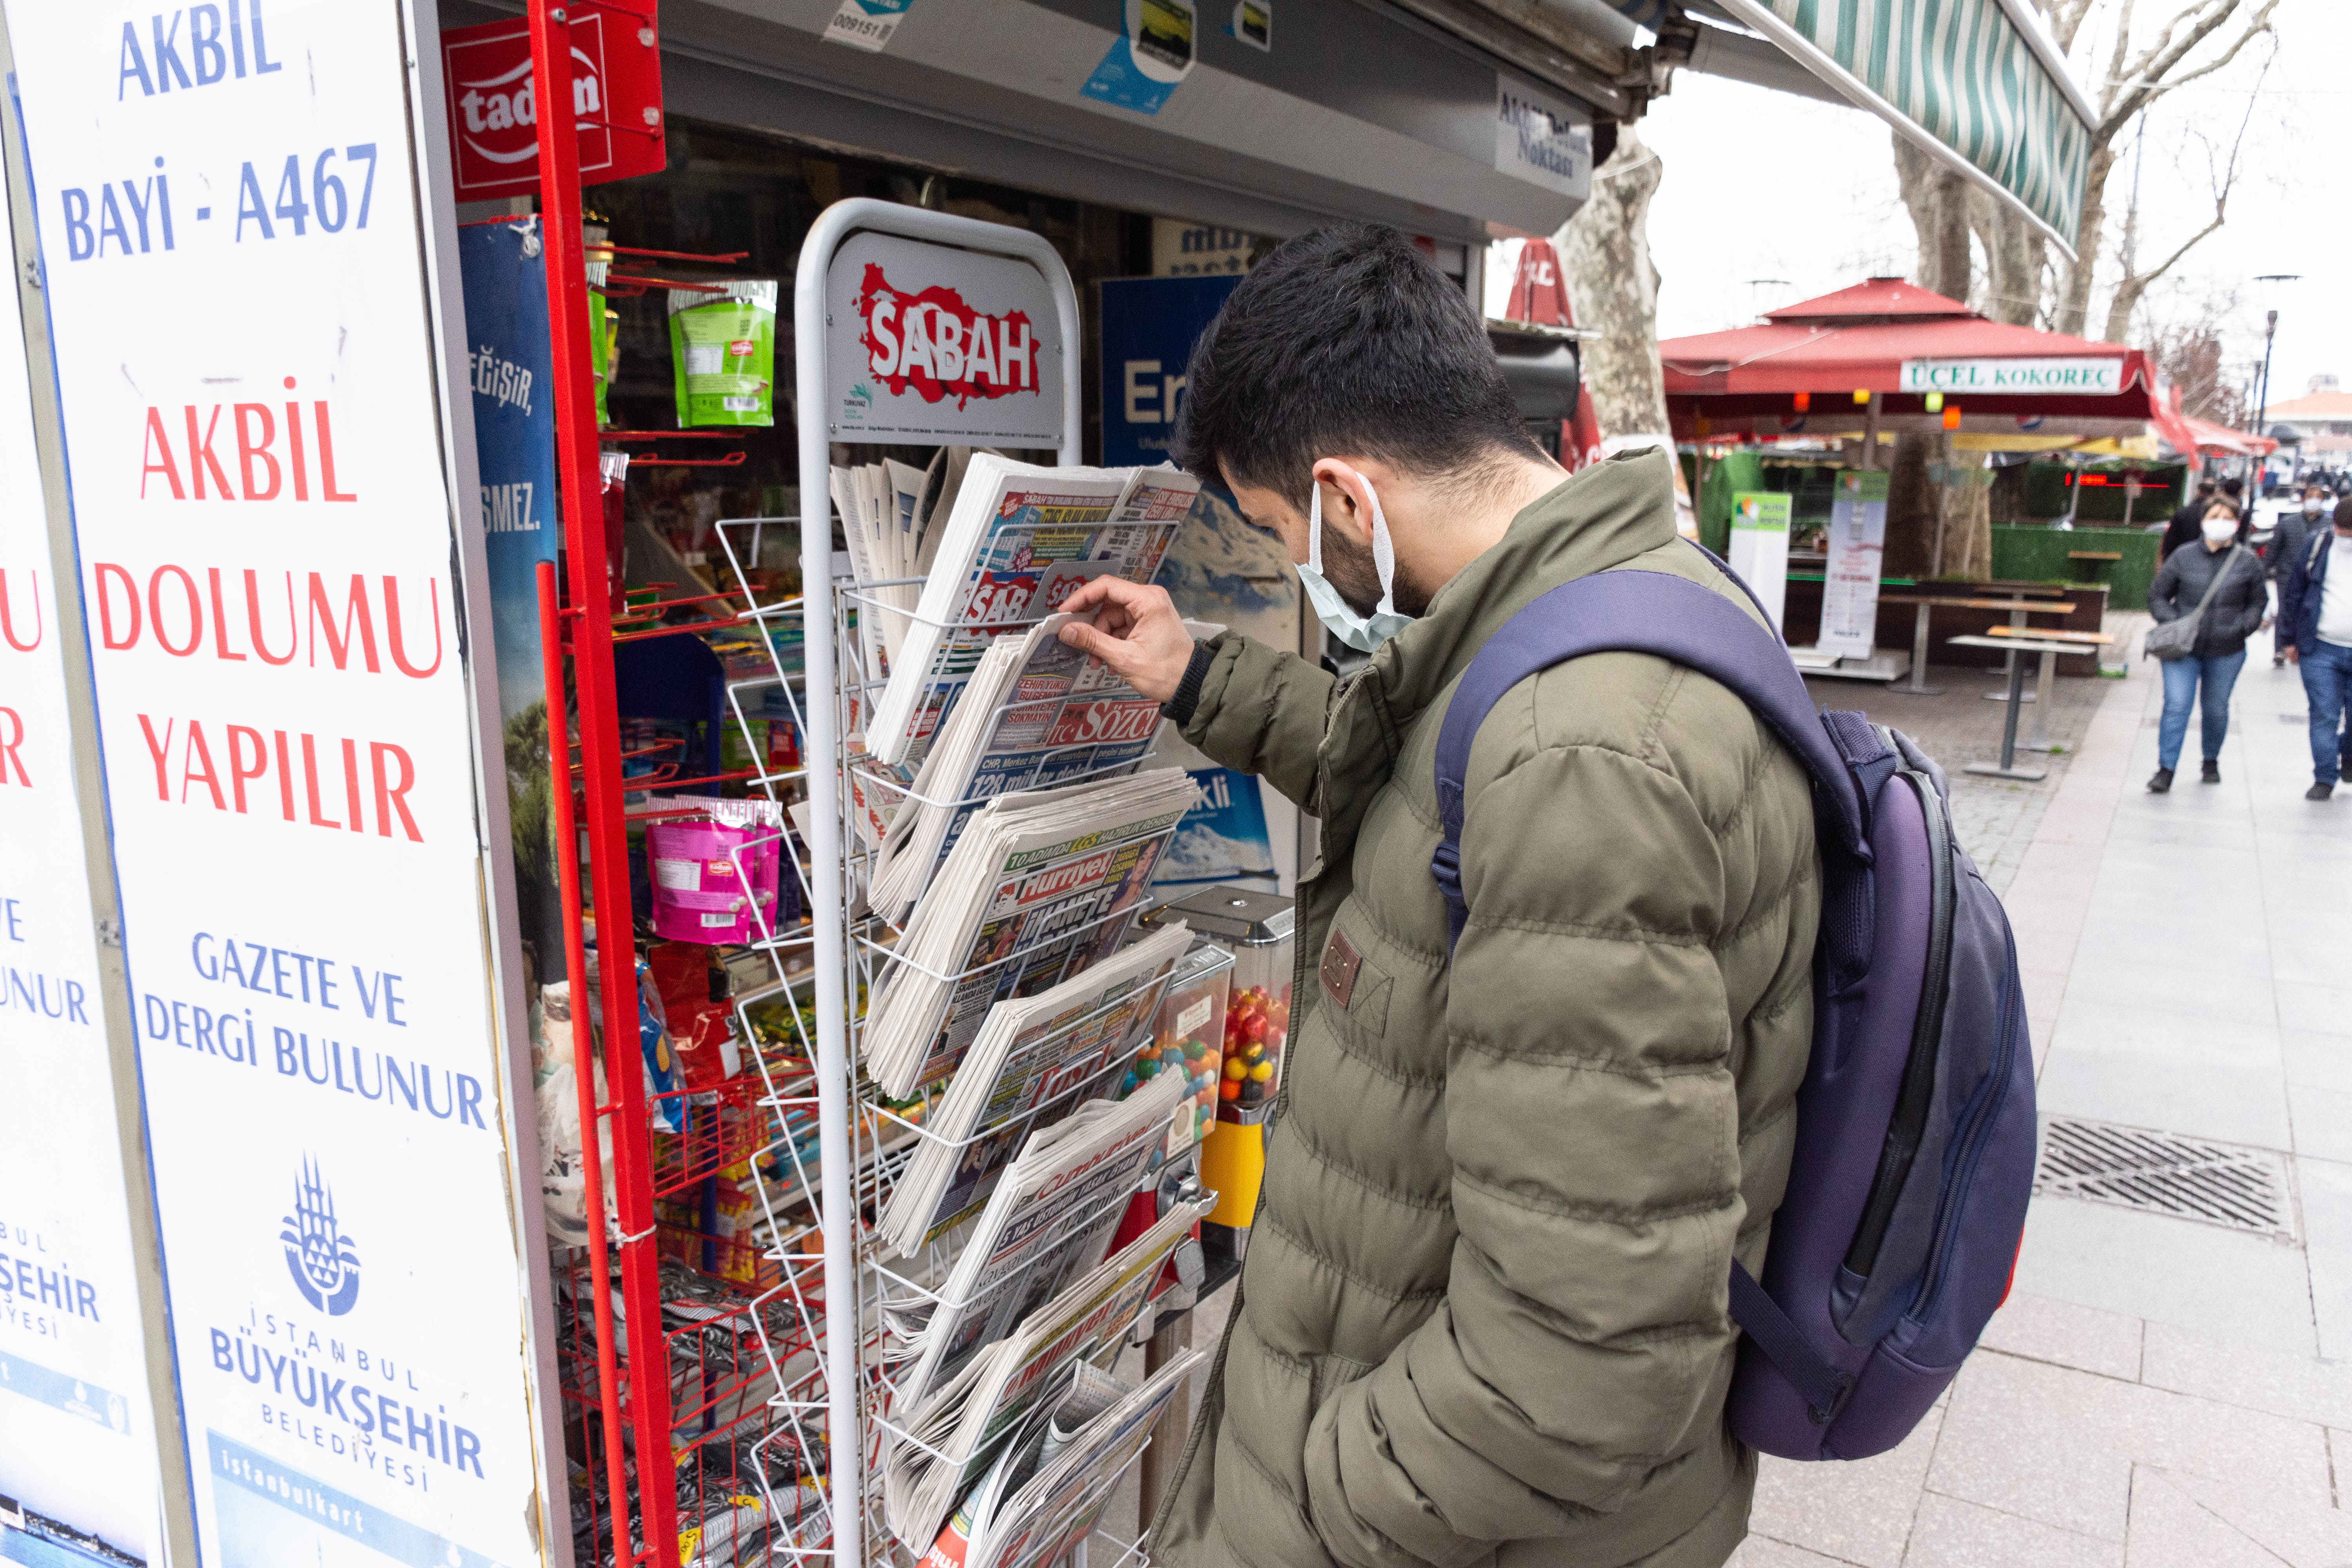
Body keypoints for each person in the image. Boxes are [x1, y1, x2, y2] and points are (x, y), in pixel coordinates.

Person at [1056, 224, 1819, 1568]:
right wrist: (1201, 679)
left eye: (1286, 532)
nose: (1304, 565)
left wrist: (1313, 1494)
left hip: (1429, 1523)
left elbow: (1583, 1369)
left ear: (1350, 499)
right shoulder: (1617, 602)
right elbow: (1423, 788)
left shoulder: (1578, 754)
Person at [2145, 500, 2269, 792]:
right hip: (2183, 649)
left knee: (2216, 708)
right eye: (2215, 516)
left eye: (2228, 518)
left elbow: (2258, 602)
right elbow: (2158, 596)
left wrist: (2242, 627)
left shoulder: (2248, 561)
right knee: (2177, 706)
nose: (2221, 522)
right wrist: (2174, 622)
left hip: (2227, 650)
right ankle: (2166, 768)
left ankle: (2211, 759)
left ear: (2237, 524)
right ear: (2203, 521)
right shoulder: (2183, 556)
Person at [2279, 496, 2352, 800]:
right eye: (2343, 533)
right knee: (2324, 714)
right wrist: (2289, 639)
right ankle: (2324, 777)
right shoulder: (2318, 545)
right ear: (2334, 525)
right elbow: (2294, 592)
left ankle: (2347, 755)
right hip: (2320, 648)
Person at [2270, 484, 2333, 665]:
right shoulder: (2287, 523)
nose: (2314, 500)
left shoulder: (2329, 525)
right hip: (2287, 575)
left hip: (2316, 578)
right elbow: (2274, 550)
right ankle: (2280, 649)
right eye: (2310, 496)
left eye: (2318, 497)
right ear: (2303, 499)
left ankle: (2303, 647)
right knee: (2285, 611)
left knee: (2310, 610)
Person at [2162, 478, 2219, 561]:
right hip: (2209, 560)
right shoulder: (2218, 515)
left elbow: (2170, 542)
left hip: (2183, 559)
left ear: (2198, 491)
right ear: (2214, 493)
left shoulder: (2182, 513)